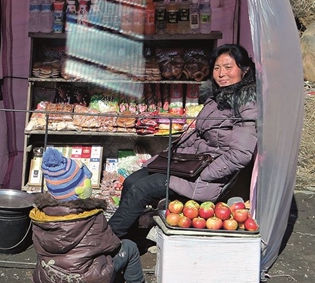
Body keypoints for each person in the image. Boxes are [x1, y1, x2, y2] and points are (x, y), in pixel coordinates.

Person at [109, 43, 258, 238]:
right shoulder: (216, 98)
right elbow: (199, 135)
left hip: (205, 174)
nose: (222, 74)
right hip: (190, 164)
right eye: (217, 68)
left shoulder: (246, 104)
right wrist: (170, 156)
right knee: (132, 181)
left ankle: (107, 240)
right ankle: (131, 236)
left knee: (142, 188)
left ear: (244, 70)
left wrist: (205, 175)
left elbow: (240, 154)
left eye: (228, 67)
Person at [30, 147, 150, 283]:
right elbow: (112, 245)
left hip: (51, 281)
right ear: (80, 188)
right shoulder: (92, 216)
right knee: (129, 247)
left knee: (46, 252)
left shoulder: (41, 216)